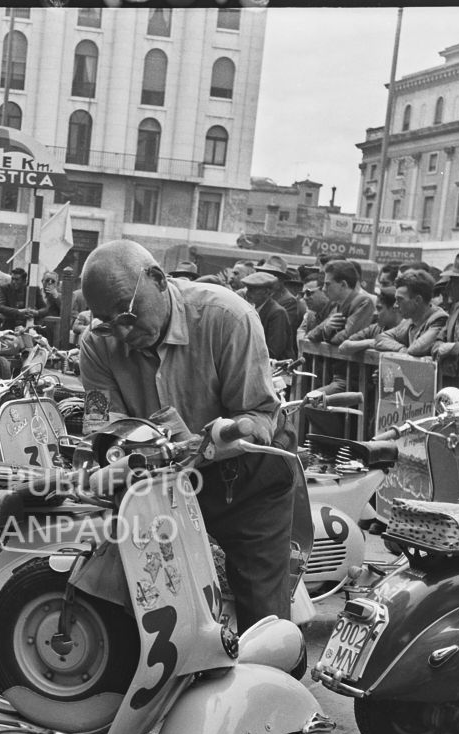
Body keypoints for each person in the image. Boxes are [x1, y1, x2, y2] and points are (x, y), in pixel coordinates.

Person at [78, 240, 296, 633]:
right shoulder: (96, 343)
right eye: (107, 322)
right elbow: (101, 425)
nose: (122, 333)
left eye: (127, 314)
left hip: (246, 478)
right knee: (139, 597)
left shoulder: (227, 317)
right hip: (160, 482)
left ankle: (273, 667)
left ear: (158, 279)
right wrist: (116, 453)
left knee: (262, 614)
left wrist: (212, 441)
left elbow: (259, 414)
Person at [298, 259, 374, 345]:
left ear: (343, 284)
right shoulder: (337, 305)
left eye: (328, 284)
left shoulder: (363, 302)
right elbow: (312, 335)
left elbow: (346, 338)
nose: (324, 289)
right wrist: (326, 328)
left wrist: (327, 336)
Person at [240, 270, 294, 359]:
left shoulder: (277, 313)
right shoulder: (253, 308)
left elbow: (274, 350)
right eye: (247, 289)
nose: (247, 293)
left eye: (252, 290)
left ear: (266, 292)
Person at [336, 287, 402, 354]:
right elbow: (343, 347)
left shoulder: (406, 331)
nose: (374, 313)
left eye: (379, 308)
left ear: (394, 308)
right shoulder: (374, 329)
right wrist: (372, 342)